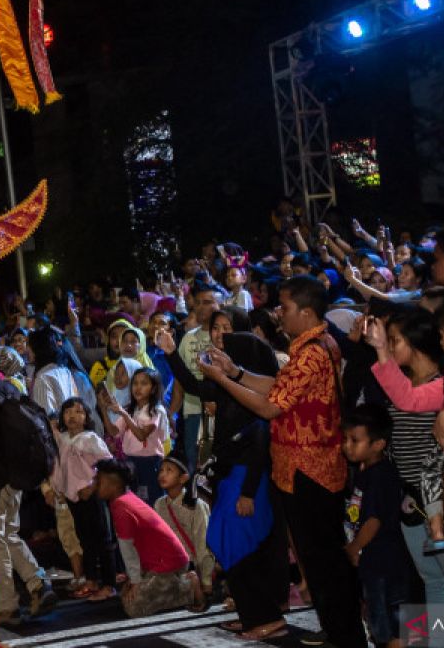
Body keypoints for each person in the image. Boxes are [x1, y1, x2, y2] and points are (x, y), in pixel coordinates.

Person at [206, 275, 367, 648]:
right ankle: (340, 633)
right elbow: (281, 388)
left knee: (324, 560)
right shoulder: (313, 345)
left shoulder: (312, 352)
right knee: (321, 559)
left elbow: (269, 406)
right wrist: (235, 371)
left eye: (286, 307)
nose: (280, 313)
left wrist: (222, 380)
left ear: (307, 312)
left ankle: (346, 637)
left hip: (311, 469)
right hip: (308, 467)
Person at [165, 327, 290, 640]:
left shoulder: (257, 394)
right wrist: (170, 353)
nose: (219, 355)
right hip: (231, 475)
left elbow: (261, 443)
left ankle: (267, 617)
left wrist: (247, 492)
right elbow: (195, 386)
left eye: (226, 349)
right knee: (223, 542)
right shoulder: (227, 390)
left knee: (242, 547)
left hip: (248, 479)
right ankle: (250, 615)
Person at [377, 309, 444, 648]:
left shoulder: (443, 386)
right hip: (411, 498)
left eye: (394, 340)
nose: (390, 347)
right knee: (433, 583)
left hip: (441, 497)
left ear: (416, 342)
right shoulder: (403, 385)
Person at [0, 347, 58, 625]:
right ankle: (38, 584)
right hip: (15, 480)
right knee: (9, 535)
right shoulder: (10, 389)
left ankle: (6, 606)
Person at [94, 459, 205, 618]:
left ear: (114, 484)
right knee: (125, 596)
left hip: (167, 564)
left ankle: (188, 587)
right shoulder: (124, 498)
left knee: (134, 608)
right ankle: (175, 582)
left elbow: (128, 550)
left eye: (99, 480)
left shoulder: (121, 506)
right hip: (161, 562)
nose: (95, 483)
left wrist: (136, 582)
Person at [341, 404, 412, 648]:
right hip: (374, 561)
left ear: (378, 444)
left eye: (354, 440)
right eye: (346, 439)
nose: (346, 445)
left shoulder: (381, 475)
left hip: (385, 561)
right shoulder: (366, 471)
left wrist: (354, 547)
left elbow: (374, 520)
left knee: (389, 623)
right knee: (379, 618)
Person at [48, 398, 115, 602]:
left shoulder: (90, 438)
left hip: (91, 495)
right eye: (67, 412)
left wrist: (93, 486)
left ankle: (109, 584)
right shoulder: (64, 439)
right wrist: (58, 488)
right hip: (73, 498)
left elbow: (107, 464)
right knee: (85, 540)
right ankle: (92, 580)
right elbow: (58, 467)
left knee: (102, 539)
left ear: (86, 417)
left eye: (78, 412)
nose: (72, 416)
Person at [154, 456, 213, 606]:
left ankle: (195, 584)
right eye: (161, 470)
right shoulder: (159, 504)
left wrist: (206, 581)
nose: (162, 474)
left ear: (183, 478)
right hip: (169, 564)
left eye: (169, 470)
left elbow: (202, 543)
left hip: (191, 563)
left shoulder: (196, 505)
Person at [106, 368, 169, 503]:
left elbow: (141, 435)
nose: (138, 388)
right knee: (134, 500)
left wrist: (123, 413)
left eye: (144, 384)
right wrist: (102, 407)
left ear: (153, 389)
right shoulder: (131, 409)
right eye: (135, 383)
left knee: (151, 500)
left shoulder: (156, 410)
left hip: (149, 462)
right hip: (130, 461)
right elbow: (114, 432)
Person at [174, 280, 220, 464]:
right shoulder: (188, 337)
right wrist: (172, 413)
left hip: (219, 411)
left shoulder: (228, 337)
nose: (201, 307)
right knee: (194, 463)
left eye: (207, 302)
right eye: (198, 302)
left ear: (221, 305)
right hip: (192, 410)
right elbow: (180, 379)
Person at [28, 327, 80, 419]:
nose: (27, 350)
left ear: (38, 350)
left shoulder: (43, 379)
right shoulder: (65, 371)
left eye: (30, 346)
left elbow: (46, 419)